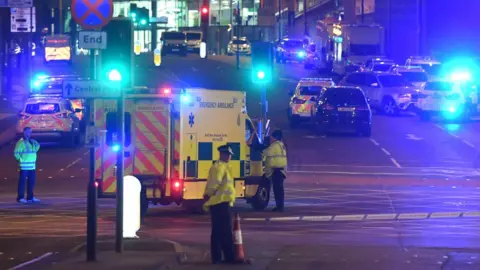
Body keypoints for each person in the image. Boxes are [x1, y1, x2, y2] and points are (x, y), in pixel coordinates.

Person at [203, 144, 238, 264]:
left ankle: (224, 257)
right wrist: (209, 194)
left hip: (223, 202)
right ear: (222, 154)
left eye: (230, 155)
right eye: (227, 154)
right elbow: (214, 184)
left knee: (222, 231)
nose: (229, 157)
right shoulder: (218, 167)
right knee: (221, 231)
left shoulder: (225, 166)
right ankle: (224, 258)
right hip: (219, 203)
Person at [14, 127, 40, 204]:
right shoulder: (20, 142)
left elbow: (37, 148)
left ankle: (30, 197)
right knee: (22, 183)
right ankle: (20, 198)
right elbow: (16, 153)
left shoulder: (32, 142)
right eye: (28, 132)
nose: (29, 133)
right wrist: (20, 160)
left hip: (32, 166)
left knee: (31, 182)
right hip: (24, 166)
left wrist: (34, 142)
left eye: (30, 132)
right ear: (24, 132)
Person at [263, 129, 288, 212]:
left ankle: (279, 207)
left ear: (275, 137)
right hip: (281, 171)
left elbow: (265, 152)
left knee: (277, 190)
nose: (270, 138)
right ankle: (280, 206)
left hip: (277, 171)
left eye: (272, 137)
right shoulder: (281, 144)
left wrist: (264, 145)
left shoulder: (274, 145)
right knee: (279, 190)